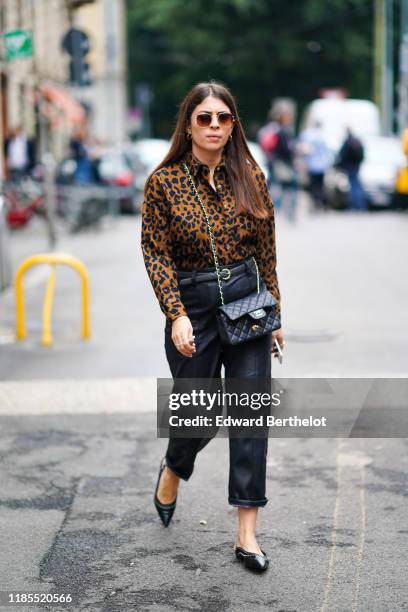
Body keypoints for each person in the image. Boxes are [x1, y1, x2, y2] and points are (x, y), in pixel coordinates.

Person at [141, 81, 284, 573]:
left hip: (247, 302)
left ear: (233, 124)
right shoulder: (164, 184)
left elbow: (266, 247)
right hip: (193, 305)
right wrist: (175, 312)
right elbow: (155, 252)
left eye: (224, 117)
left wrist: (276, 312)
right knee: (197, 414)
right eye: (205, 118)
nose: (215, 126)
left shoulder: (250, 176)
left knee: (249, 415)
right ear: (188, 125)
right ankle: (175, 466)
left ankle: (247, 534)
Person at [271, 107, 298, 222]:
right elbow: (287, 149)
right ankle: (289, 213)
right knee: (290, 187)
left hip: (281, 163)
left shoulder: (280, 131)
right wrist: (296, 151)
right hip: (285, 164)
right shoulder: (285, 132)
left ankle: (280, 210)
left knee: (282, 187)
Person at [299, 120, 332, 210]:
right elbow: (327, 151)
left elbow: (304, 149)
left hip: (312, 164)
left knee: (313, 185)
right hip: (322, 165)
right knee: (320, 185)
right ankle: (321, 203)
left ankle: (315, 203)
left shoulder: (307, 135)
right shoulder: (322, 135)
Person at [337, 129, 367, 211]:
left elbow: (342, 154)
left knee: (353, 186)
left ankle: (354, 206)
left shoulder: (348, 142)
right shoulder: (357, 141)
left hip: (350, 166)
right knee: (357, 185)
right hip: (356, 166)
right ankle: (361, 206)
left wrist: (341, 165)